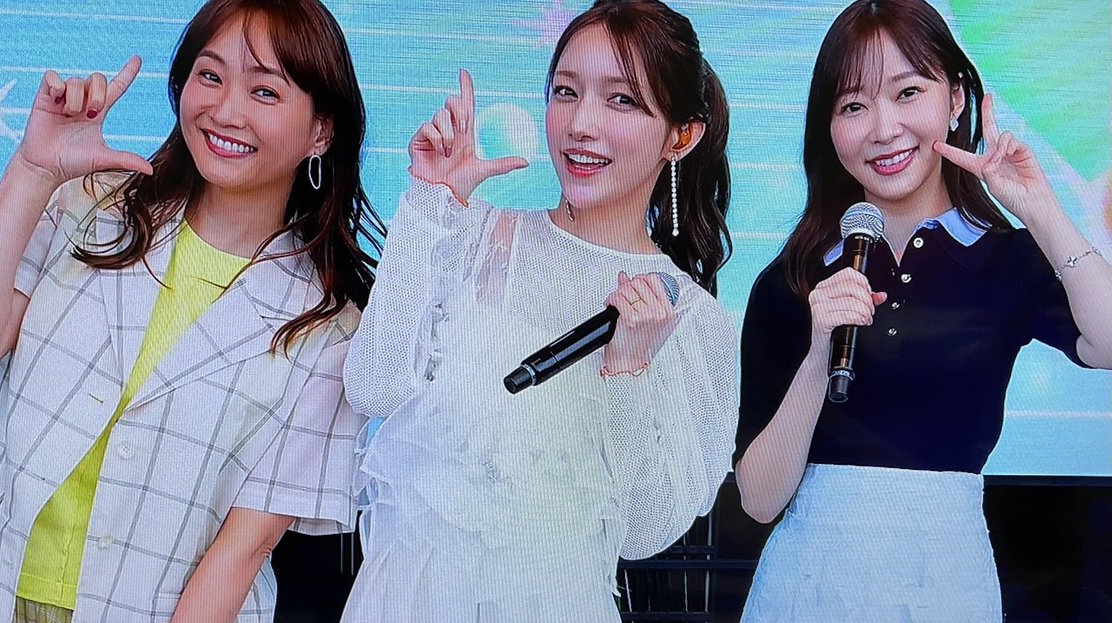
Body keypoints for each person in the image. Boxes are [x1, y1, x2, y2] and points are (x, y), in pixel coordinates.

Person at [0, 1, 384, 621]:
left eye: (265, 91)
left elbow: (244, 550)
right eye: (210, 75)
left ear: (321, 131)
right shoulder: (88, 202)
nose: (226, 110)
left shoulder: (330, 326)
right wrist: (32, 170)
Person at [339, 1, 738, 620]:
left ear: (681, 136)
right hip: (407, 597)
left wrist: (628, 371)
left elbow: (645, 530)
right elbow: (374, 387)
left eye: (621, 100)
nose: (581, 124)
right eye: (566, 92)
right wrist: (428, 202)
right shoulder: (469, 233)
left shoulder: (691, 319)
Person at [733, 0, 1112, 620]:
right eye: (852, 106)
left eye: (908, 92)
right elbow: (758, 499)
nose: (883, 129)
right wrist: (819, 353)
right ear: (828, 127)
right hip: (810, 585)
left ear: (955, 98)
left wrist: (1039, 208)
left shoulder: (1008, 260)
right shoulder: (792, 281)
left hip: (946, 581)